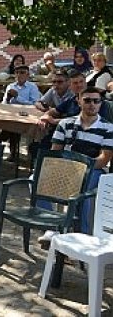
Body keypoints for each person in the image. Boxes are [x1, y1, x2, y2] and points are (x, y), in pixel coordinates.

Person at [37, 87, 113, 248]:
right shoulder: (66, 124)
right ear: (78, 101)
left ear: (100, 103)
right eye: (87, 100)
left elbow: (104, 159)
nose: (92, 104)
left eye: (96, 101)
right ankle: (52, 227)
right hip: (66, 167)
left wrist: (81, 170)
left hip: (94, 170)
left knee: (82, 192)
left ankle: (81, 236)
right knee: (36, 180)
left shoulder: (108, 128)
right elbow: (55, 153)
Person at [0, 64, 41, 161]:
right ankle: (11, 151)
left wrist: (17, 97)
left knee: (13, 126)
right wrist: (7, 99)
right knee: (10, 124)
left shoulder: (32, 87)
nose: (19, 75)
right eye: (17, 73)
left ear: (27, 75)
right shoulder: (11, 86)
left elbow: (35, 104)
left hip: (27, 115)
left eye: (22, 73)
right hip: (12, 114)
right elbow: (4, 104)